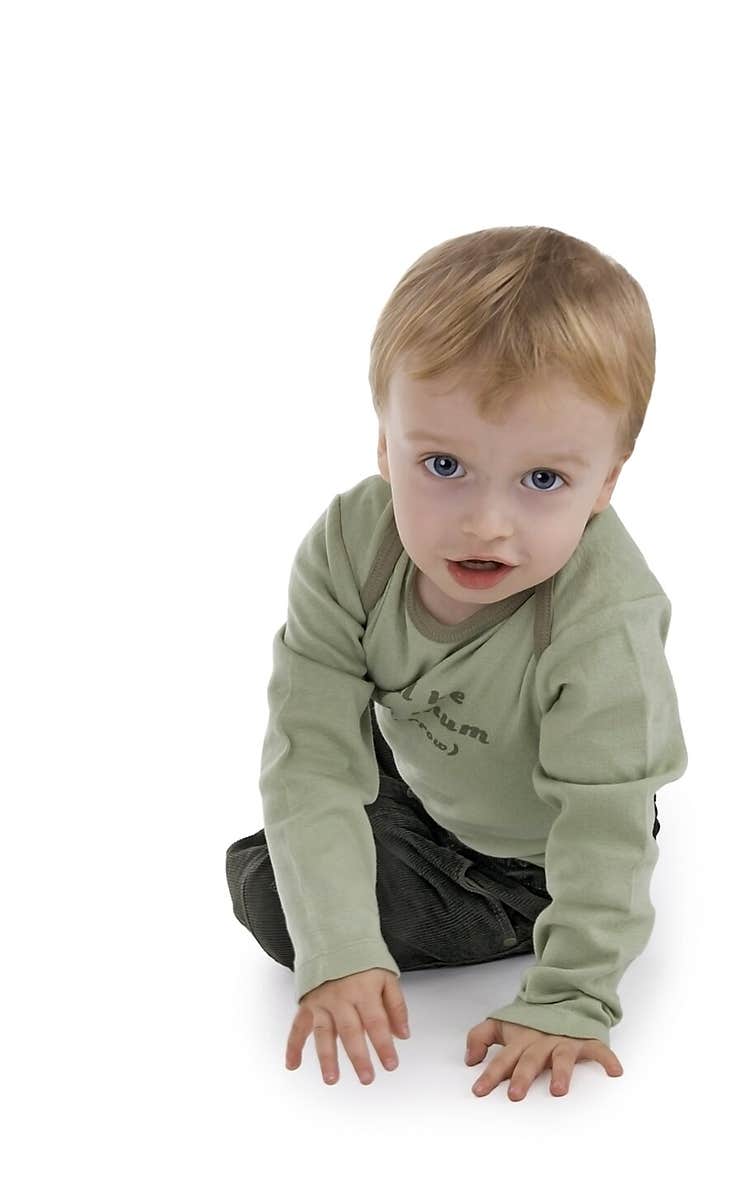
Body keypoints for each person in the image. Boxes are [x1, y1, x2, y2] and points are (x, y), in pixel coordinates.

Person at [226, 224, 688, 1101]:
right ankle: (374, 866)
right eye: (443, 464)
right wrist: (344, 952)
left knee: (267, 890)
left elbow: (603, 827)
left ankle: (476, 902)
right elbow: (312, 749)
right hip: (423, 777)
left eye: (543, 480)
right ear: (384, 447)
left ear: (607, 483)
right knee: (286, 863)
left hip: (531, 858)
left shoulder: (602, 619)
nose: (486, 524)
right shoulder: (350, 548)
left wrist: (569, 997)